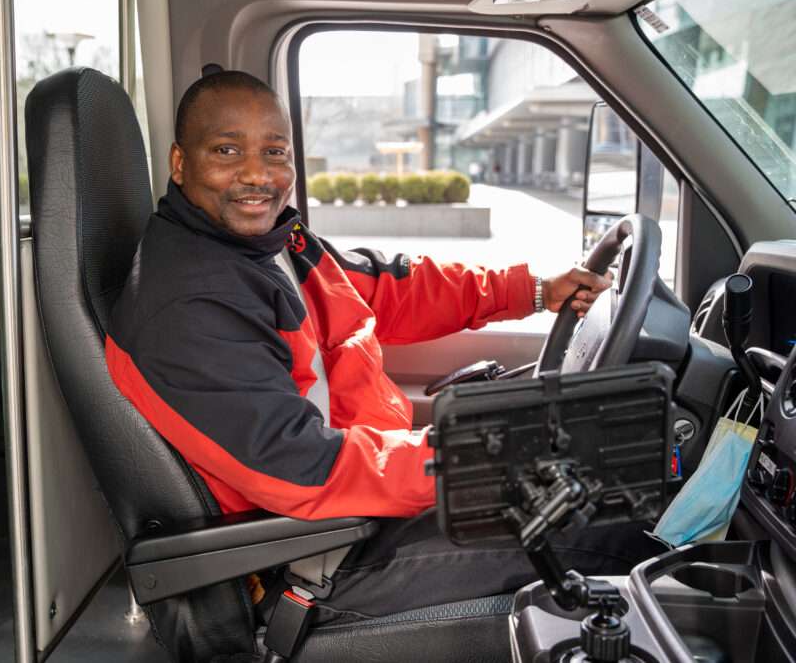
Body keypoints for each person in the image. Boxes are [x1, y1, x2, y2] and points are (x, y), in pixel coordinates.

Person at [107, 71, 661, 622]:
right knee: (618, 538)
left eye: (274, 152)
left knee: (597, 499)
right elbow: (301, 468)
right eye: (227, 150)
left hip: (363, 506)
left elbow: (387, 289)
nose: (257, 174)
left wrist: (534, 290)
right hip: (315, 556)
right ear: (181, 163)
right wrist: (474, 460)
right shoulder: (185, 308)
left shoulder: (270, 245)